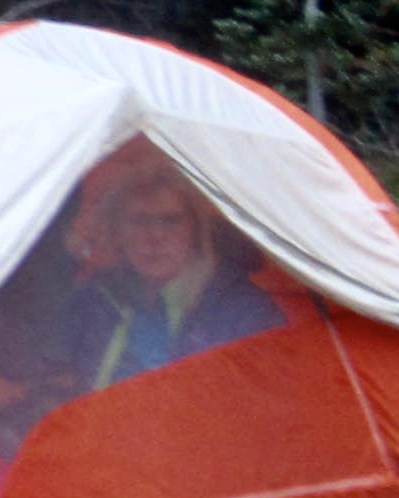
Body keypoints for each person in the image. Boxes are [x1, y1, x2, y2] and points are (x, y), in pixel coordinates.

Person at [43, 151, 279, 391]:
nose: (155, 237)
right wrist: (67, 258)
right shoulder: (93, 300)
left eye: (170, 221)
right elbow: (47, 377)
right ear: (119, 232)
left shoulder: (243, 312)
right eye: (140, 221)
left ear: (194, 231)